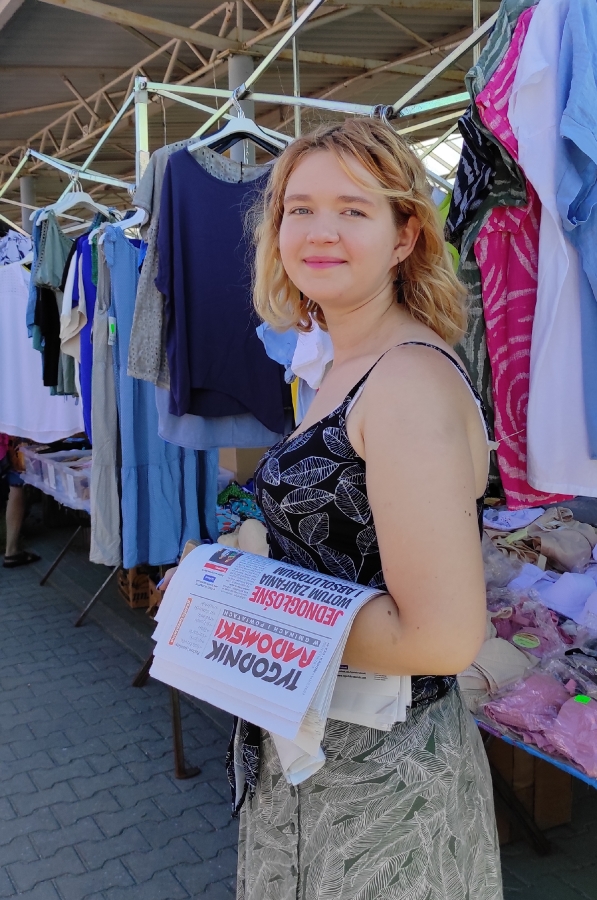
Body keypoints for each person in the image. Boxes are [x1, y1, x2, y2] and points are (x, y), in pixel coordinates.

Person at [164, 118, 502, 899]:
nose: (320, 231)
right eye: (300, 209)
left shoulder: (404, 381)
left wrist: (228, 600)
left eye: (353, 210)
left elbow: (441, 637)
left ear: (403, 235)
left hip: (378, 789)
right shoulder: (342, 360)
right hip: (323, 753)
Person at [1, 434, 40, 568]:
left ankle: (11, 551)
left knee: (15, 487)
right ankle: (11, 550)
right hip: (10, 441)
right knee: (16, 486)